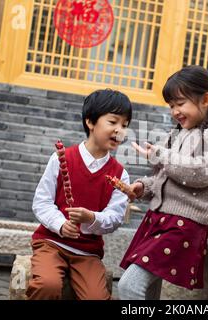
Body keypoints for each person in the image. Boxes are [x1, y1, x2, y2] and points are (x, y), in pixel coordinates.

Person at [118, 65, 208, 300]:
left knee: (129, 286)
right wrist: (142, 187)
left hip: (184, 225)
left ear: (205, 99)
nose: (174, 111)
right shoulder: (177, 134)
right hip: (157, 219)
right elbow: (165, 177)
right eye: (171, 105)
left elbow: (203, 172)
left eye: (180, 103)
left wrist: (161, 155)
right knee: (148, 291)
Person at [26, 89, 132, 300]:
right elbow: (42, 202)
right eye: (113, 122)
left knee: (96, 297)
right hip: (51, 243)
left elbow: (115, 218)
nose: (120, 130)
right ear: (90, 122)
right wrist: (60, 224)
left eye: (125, 125)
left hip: (87, 253)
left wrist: (91, 218)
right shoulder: (61, 158)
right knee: (47, 284)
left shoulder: (121, 174)